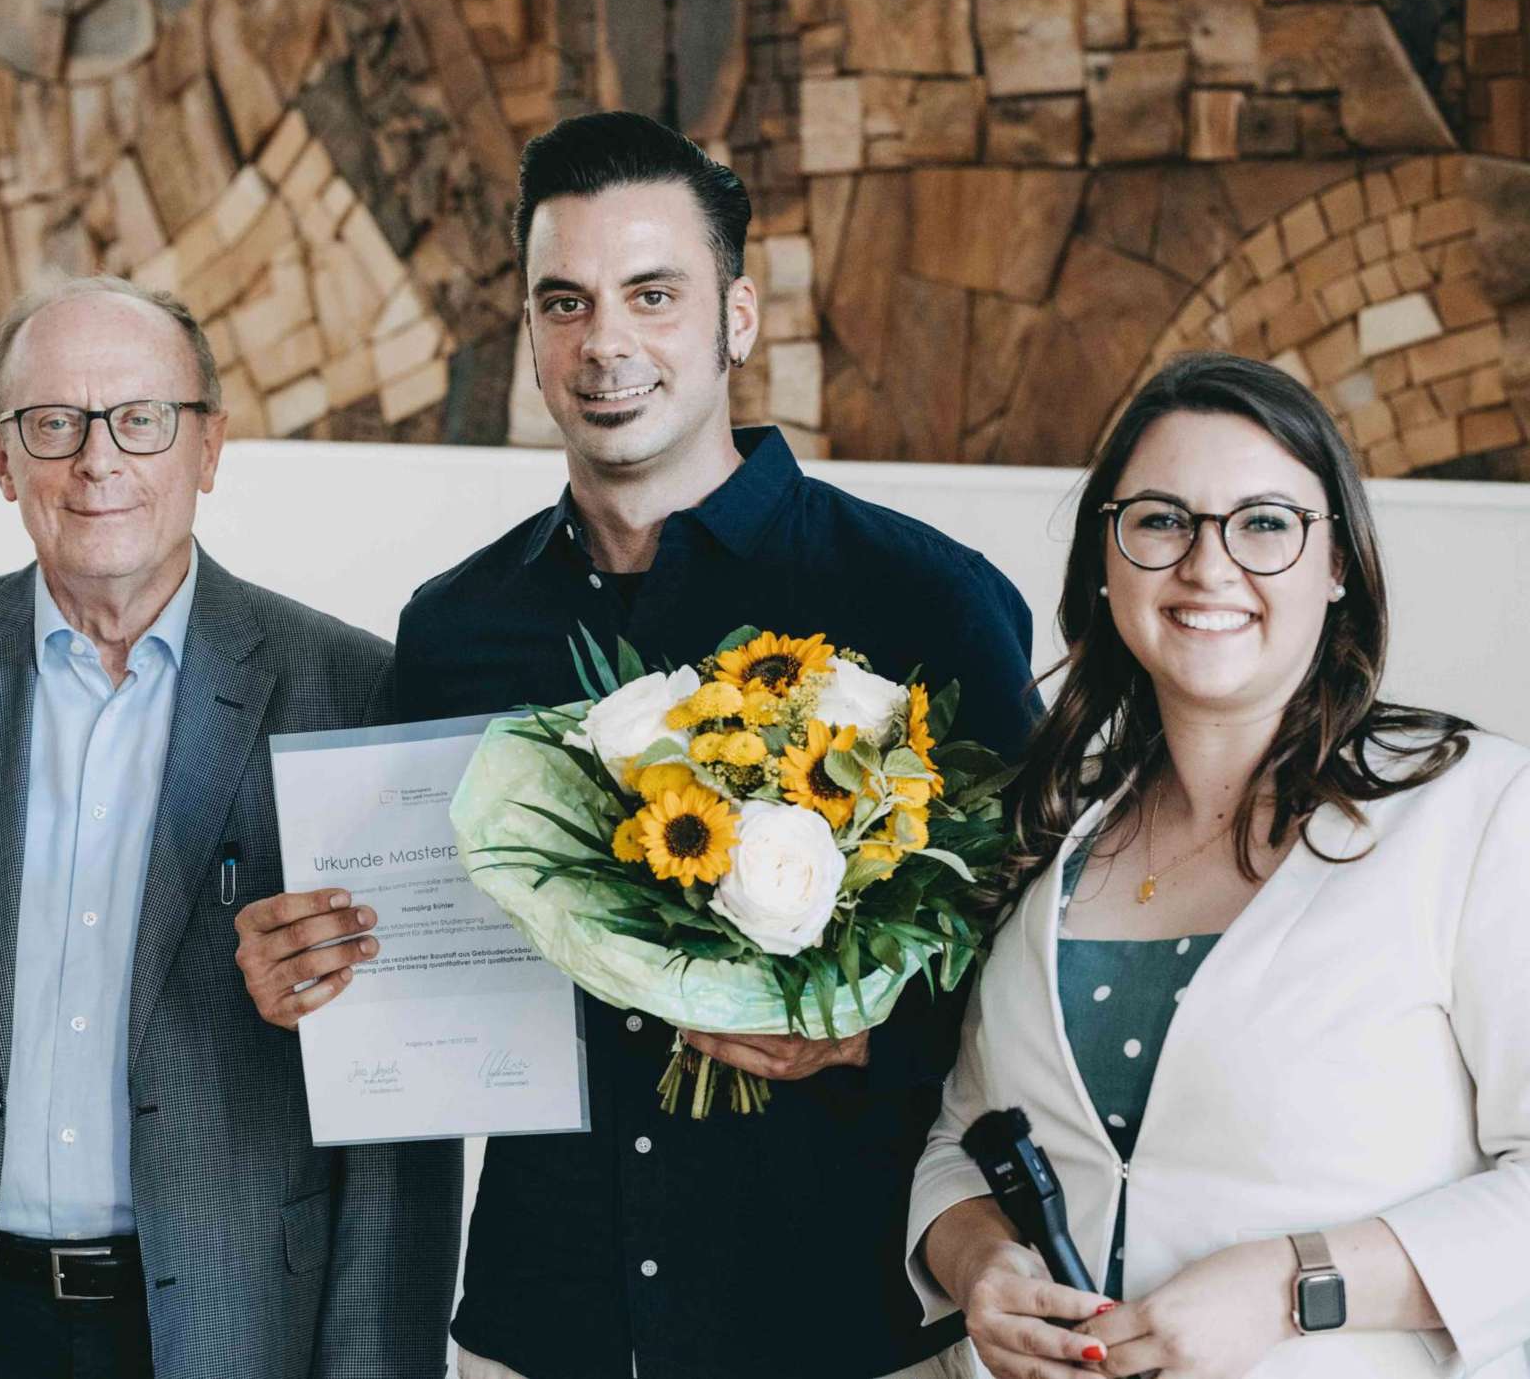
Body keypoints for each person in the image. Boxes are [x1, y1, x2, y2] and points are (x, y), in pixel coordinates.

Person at [231, 112, 1039, 1378]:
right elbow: (429, 948)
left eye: (650, 295)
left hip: (838, 1325)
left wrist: (864, 1032)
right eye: (565, 303)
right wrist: (317, 980)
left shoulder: (918, 600)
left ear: (736, 317)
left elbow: (1028, 943)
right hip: (540, 1327)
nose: (605, 342)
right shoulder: (457, 628)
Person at [0, 277, 460, 1379]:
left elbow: (399, 1118)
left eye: (140, 418)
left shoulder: (346, 686)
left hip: (231, 1327)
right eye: (53, 424)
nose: (98, 460)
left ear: (207, 447)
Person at [908, 351, 1530, 1379]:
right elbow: (961, 1136)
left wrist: (1296, 1286)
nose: (1208, 565)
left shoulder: (1487, 812)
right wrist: (981, 1266)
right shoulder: (1044, 827)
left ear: (1337, 563)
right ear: (1105, 560)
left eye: (1264, 523)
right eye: (1160, 519)